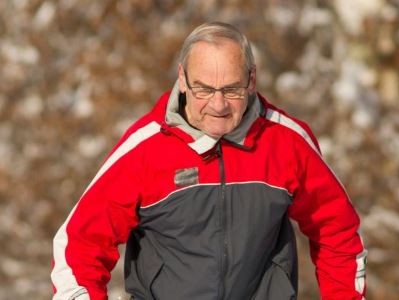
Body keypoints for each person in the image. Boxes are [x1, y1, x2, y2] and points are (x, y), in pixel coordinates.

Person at [51, 21, 367, 300]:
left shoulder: (286, 142)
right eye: (203, 89)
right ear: (183, 79)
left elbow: (336, 230)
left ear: (252, 80)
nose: (218, 105)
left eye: (231, 89)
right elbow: (78, 246)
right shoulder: (145, 150)